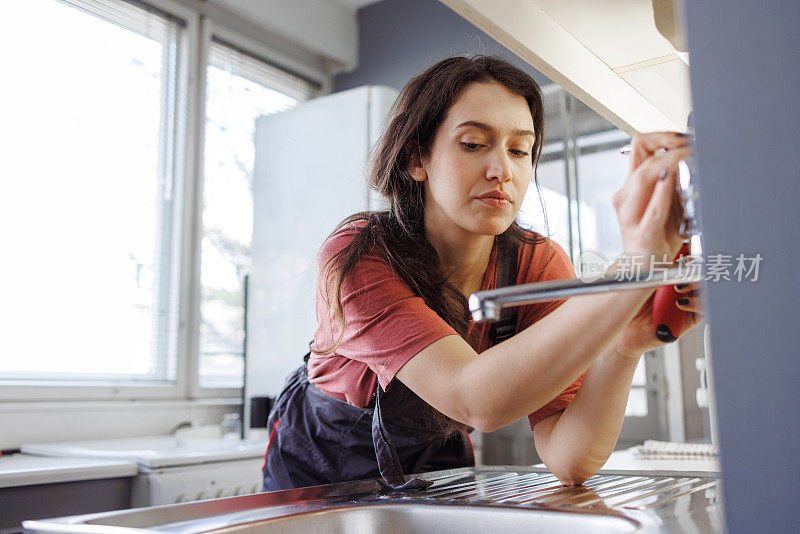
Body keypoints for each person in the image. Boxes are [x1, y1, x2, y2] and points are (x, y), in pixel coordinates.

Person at [261, 55, 703, 492]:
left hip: (436, 466)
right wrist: (634, 267)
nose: (502, 171)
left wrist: (622, 349)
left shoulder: (537, 265)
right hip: (317, 470)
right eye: (473, 144)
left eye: (519, 150)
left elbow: (570, 459)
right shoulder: (358, 258)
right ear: (418, 159)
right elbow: (475, 399)